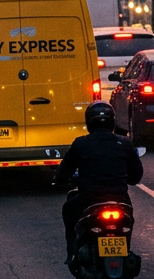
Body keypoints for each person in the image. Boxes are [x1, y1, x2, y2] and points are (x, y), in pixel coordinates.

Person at [52, 102, 143, 264]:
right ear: (112, 122)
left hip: (88, 199)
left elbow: (63, 173)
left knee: (68, 208)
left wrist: (59, 180)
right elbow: (136, 176)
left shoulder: (81, 143)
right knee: (128, 220)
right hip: (120, 199)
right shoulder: (125, 143)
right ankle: (125, 248)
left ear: (88, 122)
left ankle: (72, 251)